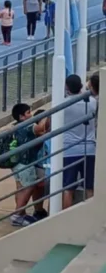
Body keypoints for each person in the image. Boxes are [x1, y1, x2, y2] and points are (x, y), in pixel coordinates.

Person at [9, 102, 50, 226]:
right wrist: (47, 116)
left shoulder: (16, 126)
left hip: (17, 163)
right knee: (29, 187)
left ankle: (21, 214)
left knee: (21, 188)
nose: (31, 115)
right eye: (28, 113)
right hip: (26, 163)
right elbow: (40, 128)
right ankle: (17, 215)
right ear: (21, 117)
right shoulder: (27, 126)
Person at [62, 74, 97, 209]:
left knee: (68, 188)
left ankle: (65, 217)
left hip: (69, 149)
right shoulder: (92, 102)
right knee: (89, 187)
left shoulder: (63, 104)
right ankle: (91, 215)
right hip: (89, 148)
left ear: (67, 87)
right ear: (81, 86)